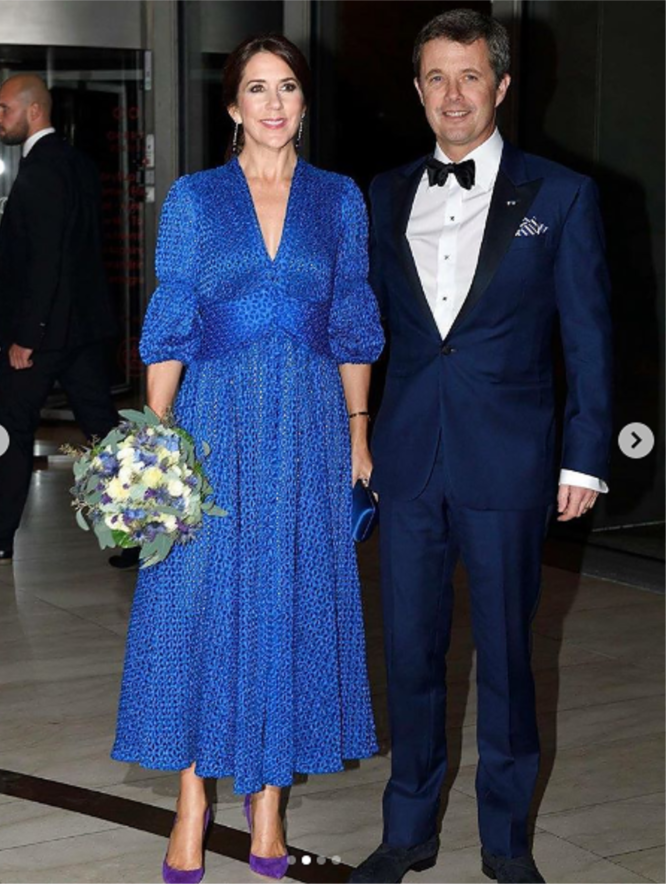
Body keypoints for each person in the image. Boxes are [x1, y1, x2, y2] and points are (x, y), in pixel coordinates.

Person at [111, 35, 383, 883]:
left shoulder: (340, 200)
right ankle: (194, 799)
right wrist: (154, 439)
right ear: (232, 106)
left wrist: (359, 436)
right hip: (214, 426)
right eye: (256, 89)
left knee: (284, 603)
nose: (273, 103)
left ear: (304, 103)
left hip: (306, 429)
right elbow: (173, 318)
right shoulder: (196, 199)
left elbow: (352, 322)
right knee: (198, 609)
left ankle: (268, 806)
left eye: (288, 87)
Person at [351, 10, 612, 884]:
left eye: (469, 76)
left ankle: (506, 846)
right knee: (412, 655)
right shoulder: (384, 193)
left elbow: (588, 336)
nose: (452, 95)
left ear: (500, 86)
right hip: (409, 459)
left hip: (510, 463)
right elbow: (364, 331)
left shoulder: (562, 195)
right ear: (418, 89)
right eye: (435, 77)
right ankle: (407, 833)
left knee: (506, 658)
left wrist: (585, 456)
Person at [0, 75, 119, 565]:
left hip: (43, 333)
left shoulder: (42, 168)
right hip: (82, 330)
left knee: (12, 428)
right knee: (104, 432)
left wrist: (26, 336)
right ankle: (141, 534)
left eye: (3, 108)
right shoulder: (78, 164)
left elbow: (46, 259)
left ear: (34, 111)